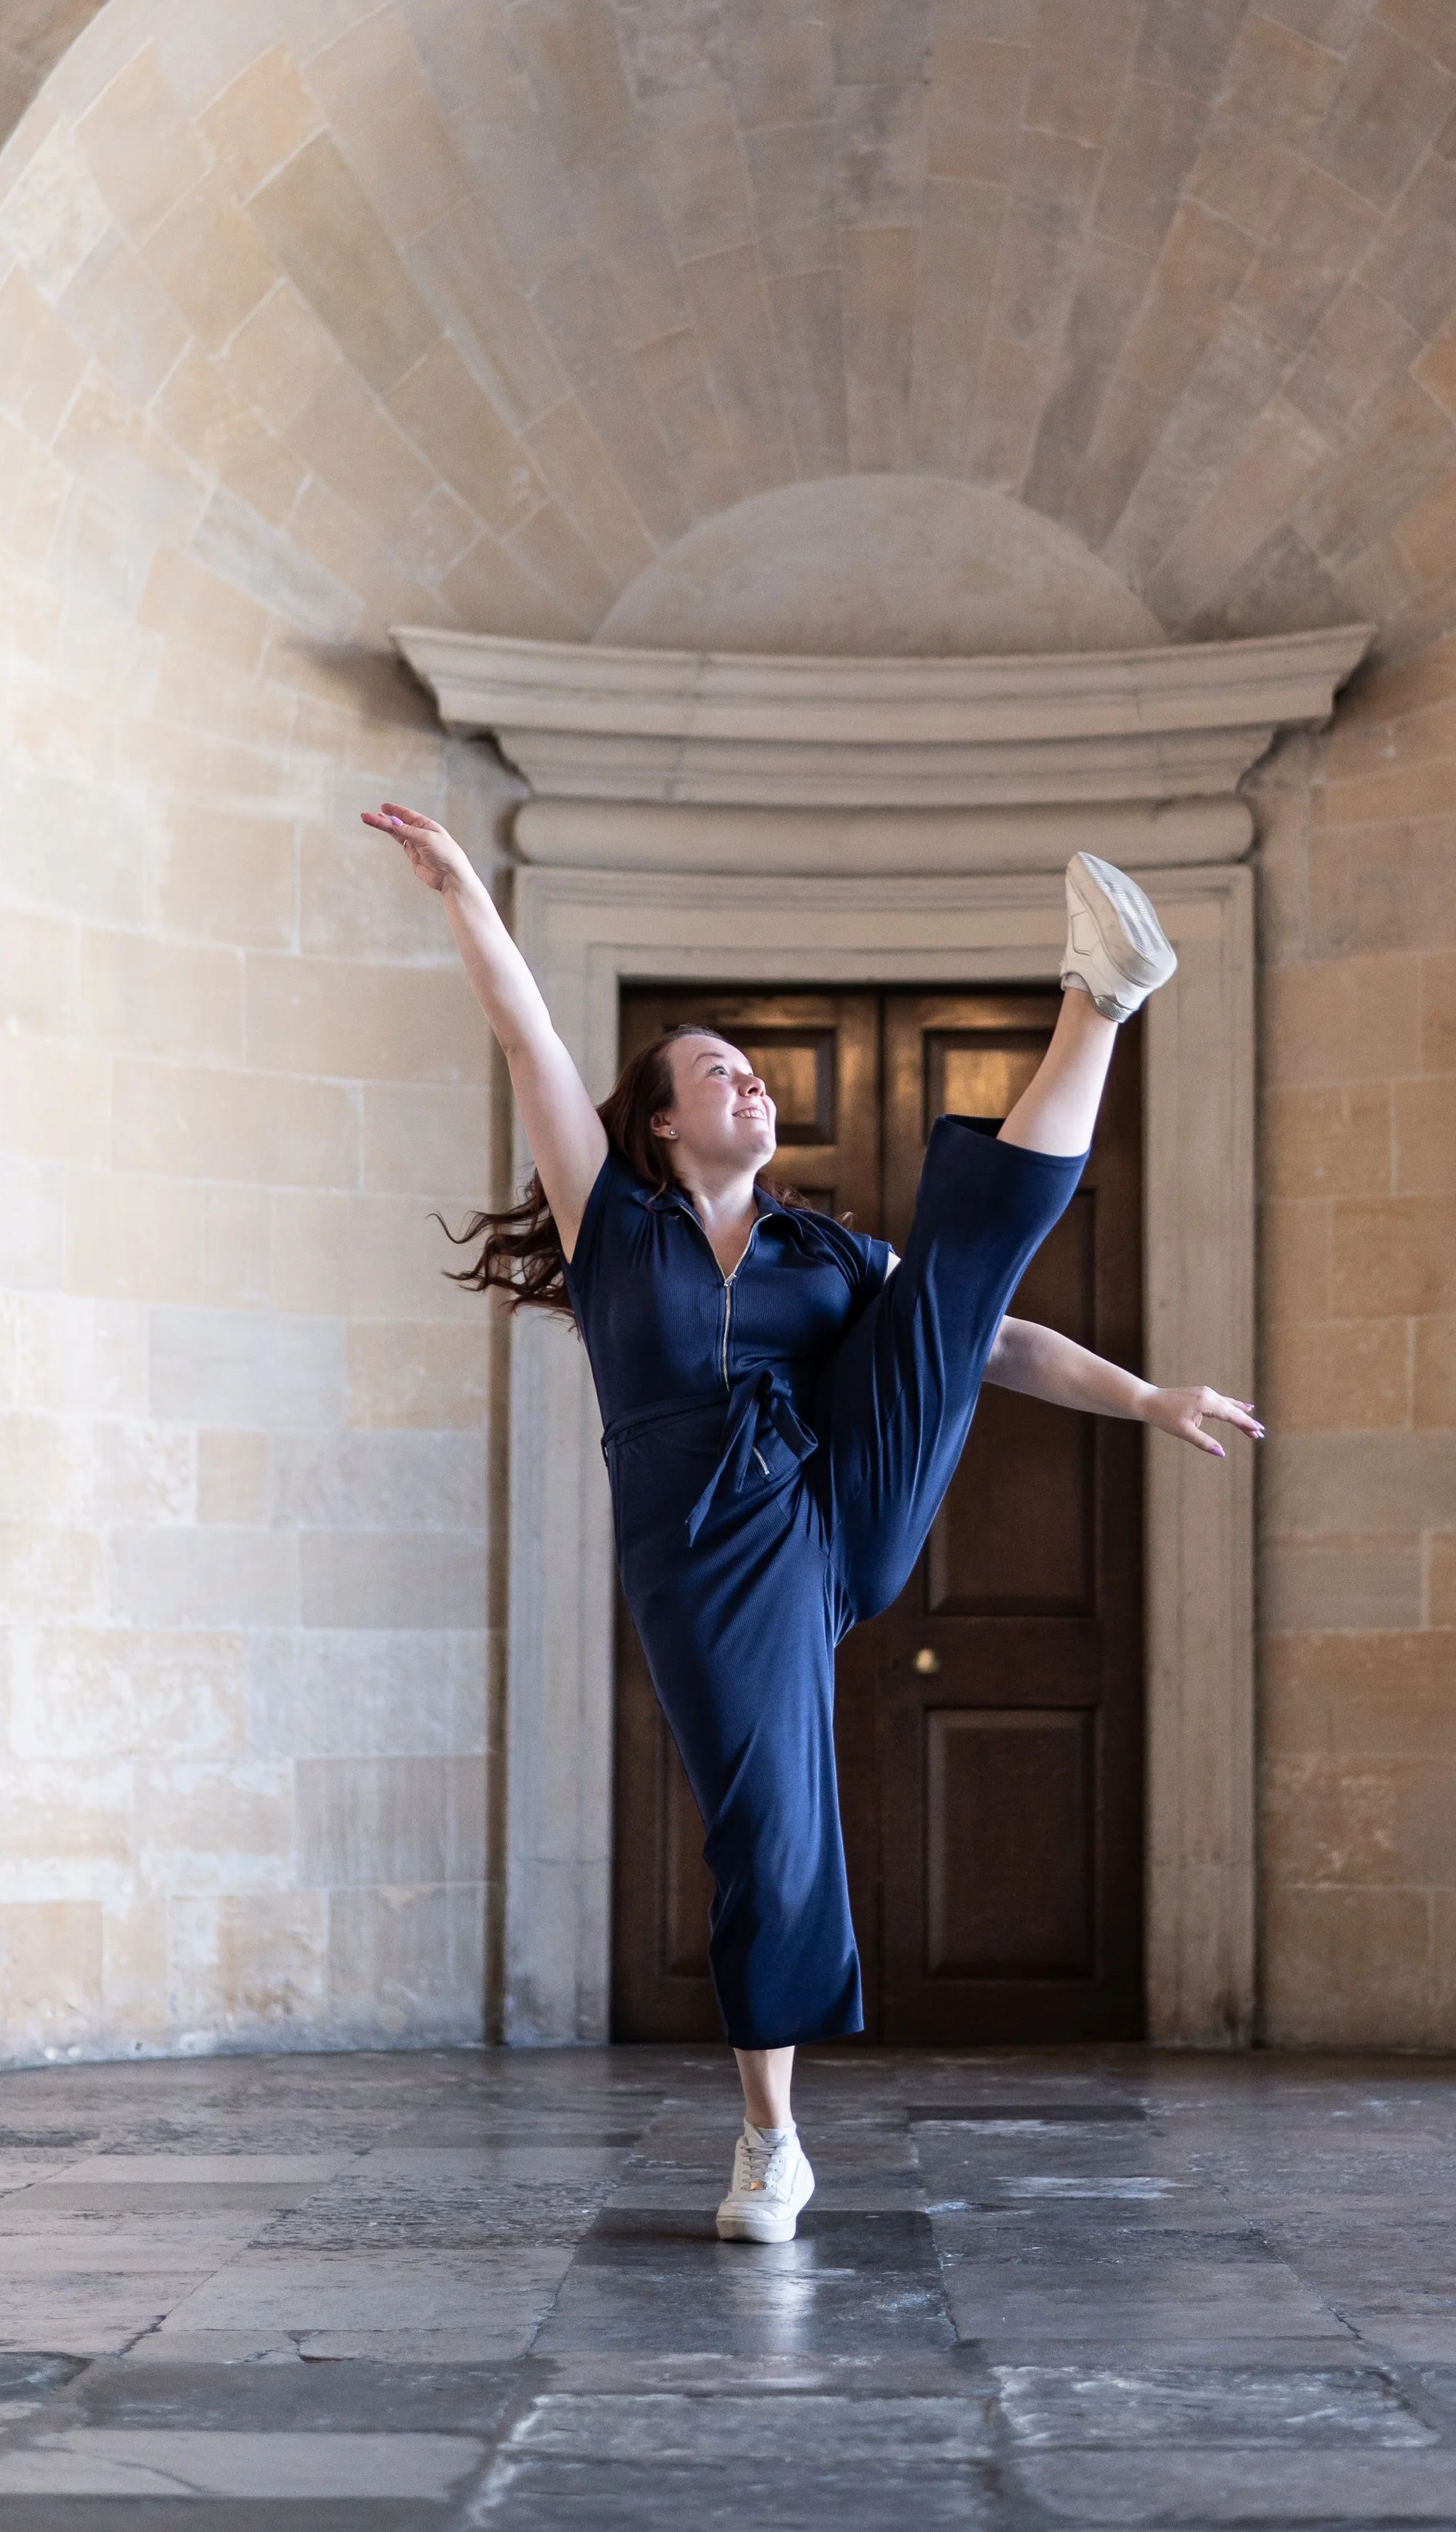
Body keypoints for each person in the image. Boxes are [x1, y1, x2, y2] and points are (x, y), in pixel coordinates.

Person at [364, 809, 1263, 2243]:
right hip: (709, 1555)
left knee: (949, 1277)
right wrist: (468, 888)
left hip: (841, 1500)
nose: (751, 1082)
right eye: (717, 1068)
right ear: (659, 1117)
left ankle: (1101, 999)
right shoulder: (617, 1230)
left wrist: (1147, 1395)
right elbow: (530, 1039)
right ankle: (770, 2139)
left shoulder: (826, 1249)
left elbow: (993, 1338)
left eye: (756, 1071)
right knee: (768, 1824)